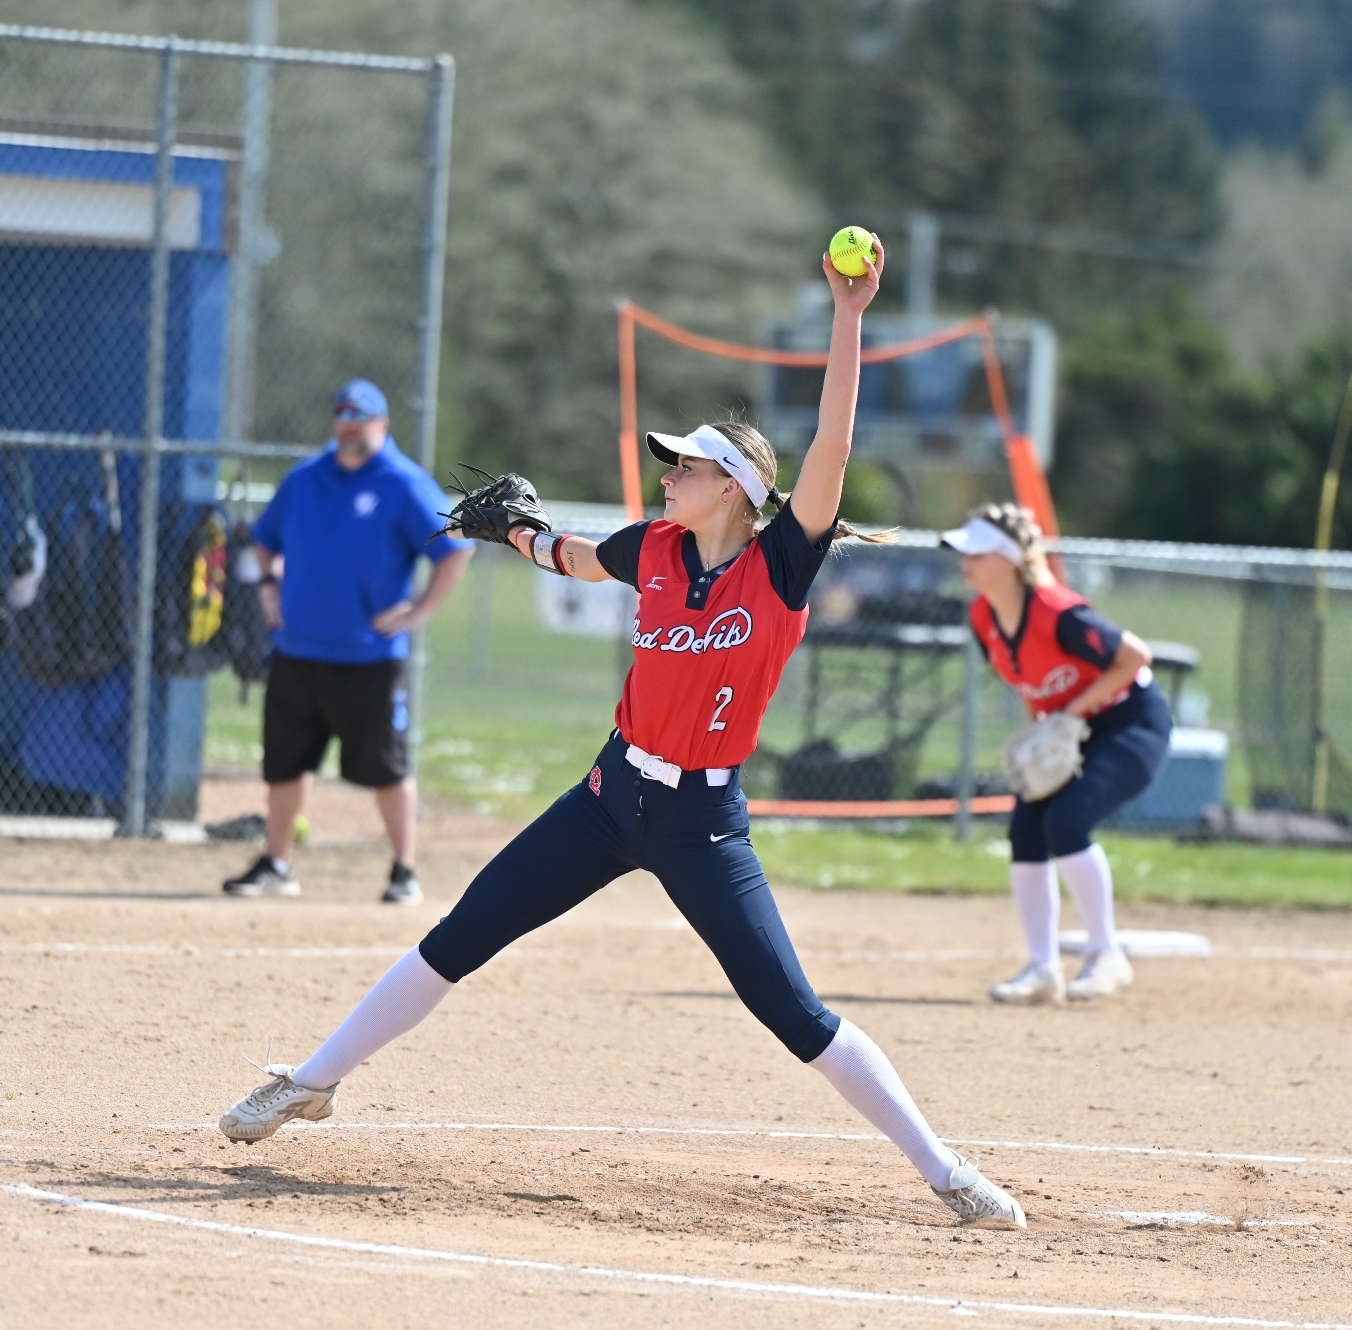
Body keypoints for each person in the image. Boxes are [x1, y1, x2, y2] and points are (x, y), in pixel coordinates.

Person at [216, 239, 1028, 1230]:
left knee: (791, 1011)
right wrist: (510, 532)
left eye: (685, 465)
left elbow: (830, 453)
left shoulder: (776, 567)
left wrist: (848, 317)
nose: (668, 474)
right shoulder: (651, 547)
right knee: (459, 935)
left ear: (730, 485)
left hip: (701, 824)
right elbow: (564, 552)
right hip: (608, 799)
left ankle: (944, 1171)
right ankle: (310, 1079)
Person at [220, 380, 472, 904]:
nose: (349, 422)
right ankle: (277, 864)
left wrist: (419, 611)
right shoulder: (307, 477)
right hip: (297, 650)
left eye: (361, 414)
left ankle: (404, 870)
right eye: (342, 413)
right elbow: (265, 542)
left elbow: (454, 550)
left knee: (386, 767)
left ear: (382, 423)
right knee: (286, 765)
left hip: (369, 657)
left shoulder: (402, 483)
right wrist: (268, 586)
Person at [941, 505, 1172, 1004]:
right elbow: (1029, 682)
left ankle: (1106, 954)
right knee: (1026, 827)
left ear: (1006, 559)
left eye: (976, 552)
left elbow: (1134, 659)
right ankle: (1044, 969)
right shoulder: (983, 616)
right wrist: (1042, 734)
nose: (965, 560)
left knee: (1066, 823)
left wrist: (1071, 716)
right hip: (1071, 725)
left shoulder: (1056, 611)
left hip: (1130, 720)